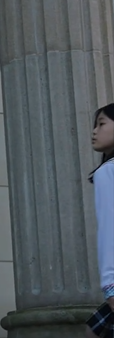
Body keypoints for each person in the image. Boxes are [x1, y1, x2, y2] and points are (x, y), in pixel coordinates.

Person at [86, 103, 114, 338]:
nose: (94, 131)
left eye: (101, 124)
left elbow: (109, 230)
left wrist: (110, 287)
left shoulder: (108, 172)